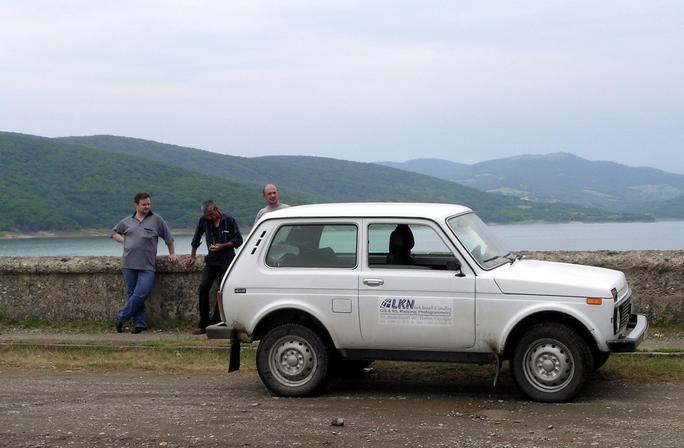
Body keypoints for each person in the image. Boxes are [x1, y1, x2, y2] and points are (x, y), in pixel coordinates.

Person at [111, 192, 178, 334]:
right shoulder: (127, 221)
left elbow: (168, 238)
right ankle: (139, 324)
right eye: (144, 204)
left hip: (147, 265)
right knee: (132, 294)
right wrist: (125, 241)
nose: (147, 206)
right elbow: (113, 233)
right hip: (128, 263)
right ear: (136, 205)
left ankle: (121, 316)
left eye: (149, 204)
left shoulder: (157, 219)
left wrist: (172, 253)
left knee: (142, 293)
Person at [186, 200, 243, 335]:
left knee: (222, 290)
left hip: (227, 260)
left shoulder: (229, 220)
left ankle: (217, 321)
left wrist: (222, 245)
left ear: (217, 210)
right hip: (211, 260)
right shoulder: (203, 220)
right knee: (203, 288)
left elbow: (238, 240)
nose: (210, 218)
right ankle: (203, 323)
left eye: (211, 215)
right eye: (207, 216)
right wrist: (192, 257)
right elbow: (196, 238)